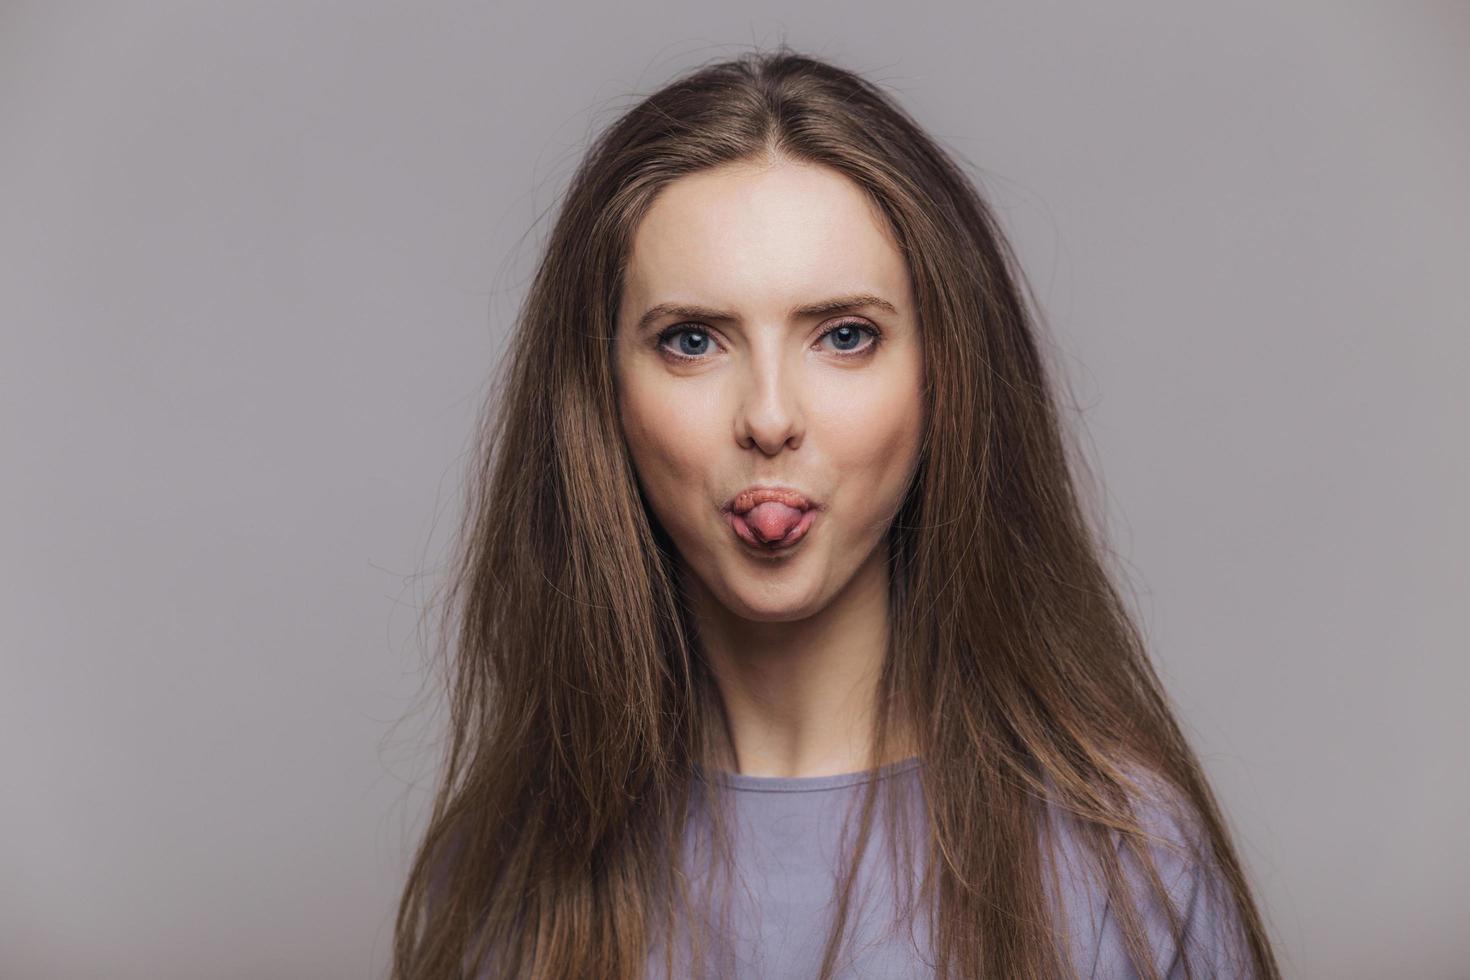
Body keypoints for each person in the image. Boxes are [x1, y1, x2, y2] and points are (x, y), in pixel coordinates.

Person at [390, 46, 1281, 980]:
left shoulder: (1126, 864)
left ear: (946, 377)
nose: (769, 417)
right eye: (692, 340)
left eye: (844, 336)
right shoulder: (504, 880)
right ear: (602, 395)